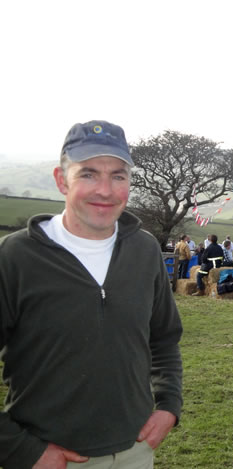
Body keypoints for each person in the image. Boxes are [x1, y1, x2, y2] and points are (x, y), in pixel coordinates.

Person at [0, 120, 183, 468]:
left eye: (118, 176)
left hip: (136, 451)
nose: (106, 190)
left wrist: (169, 406)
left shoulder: (144, 251)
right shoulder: (14, 258)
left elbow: (164, 340)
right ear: (60, 180)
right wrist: (20, 449)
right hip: (50, 458)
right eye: (88, 174)